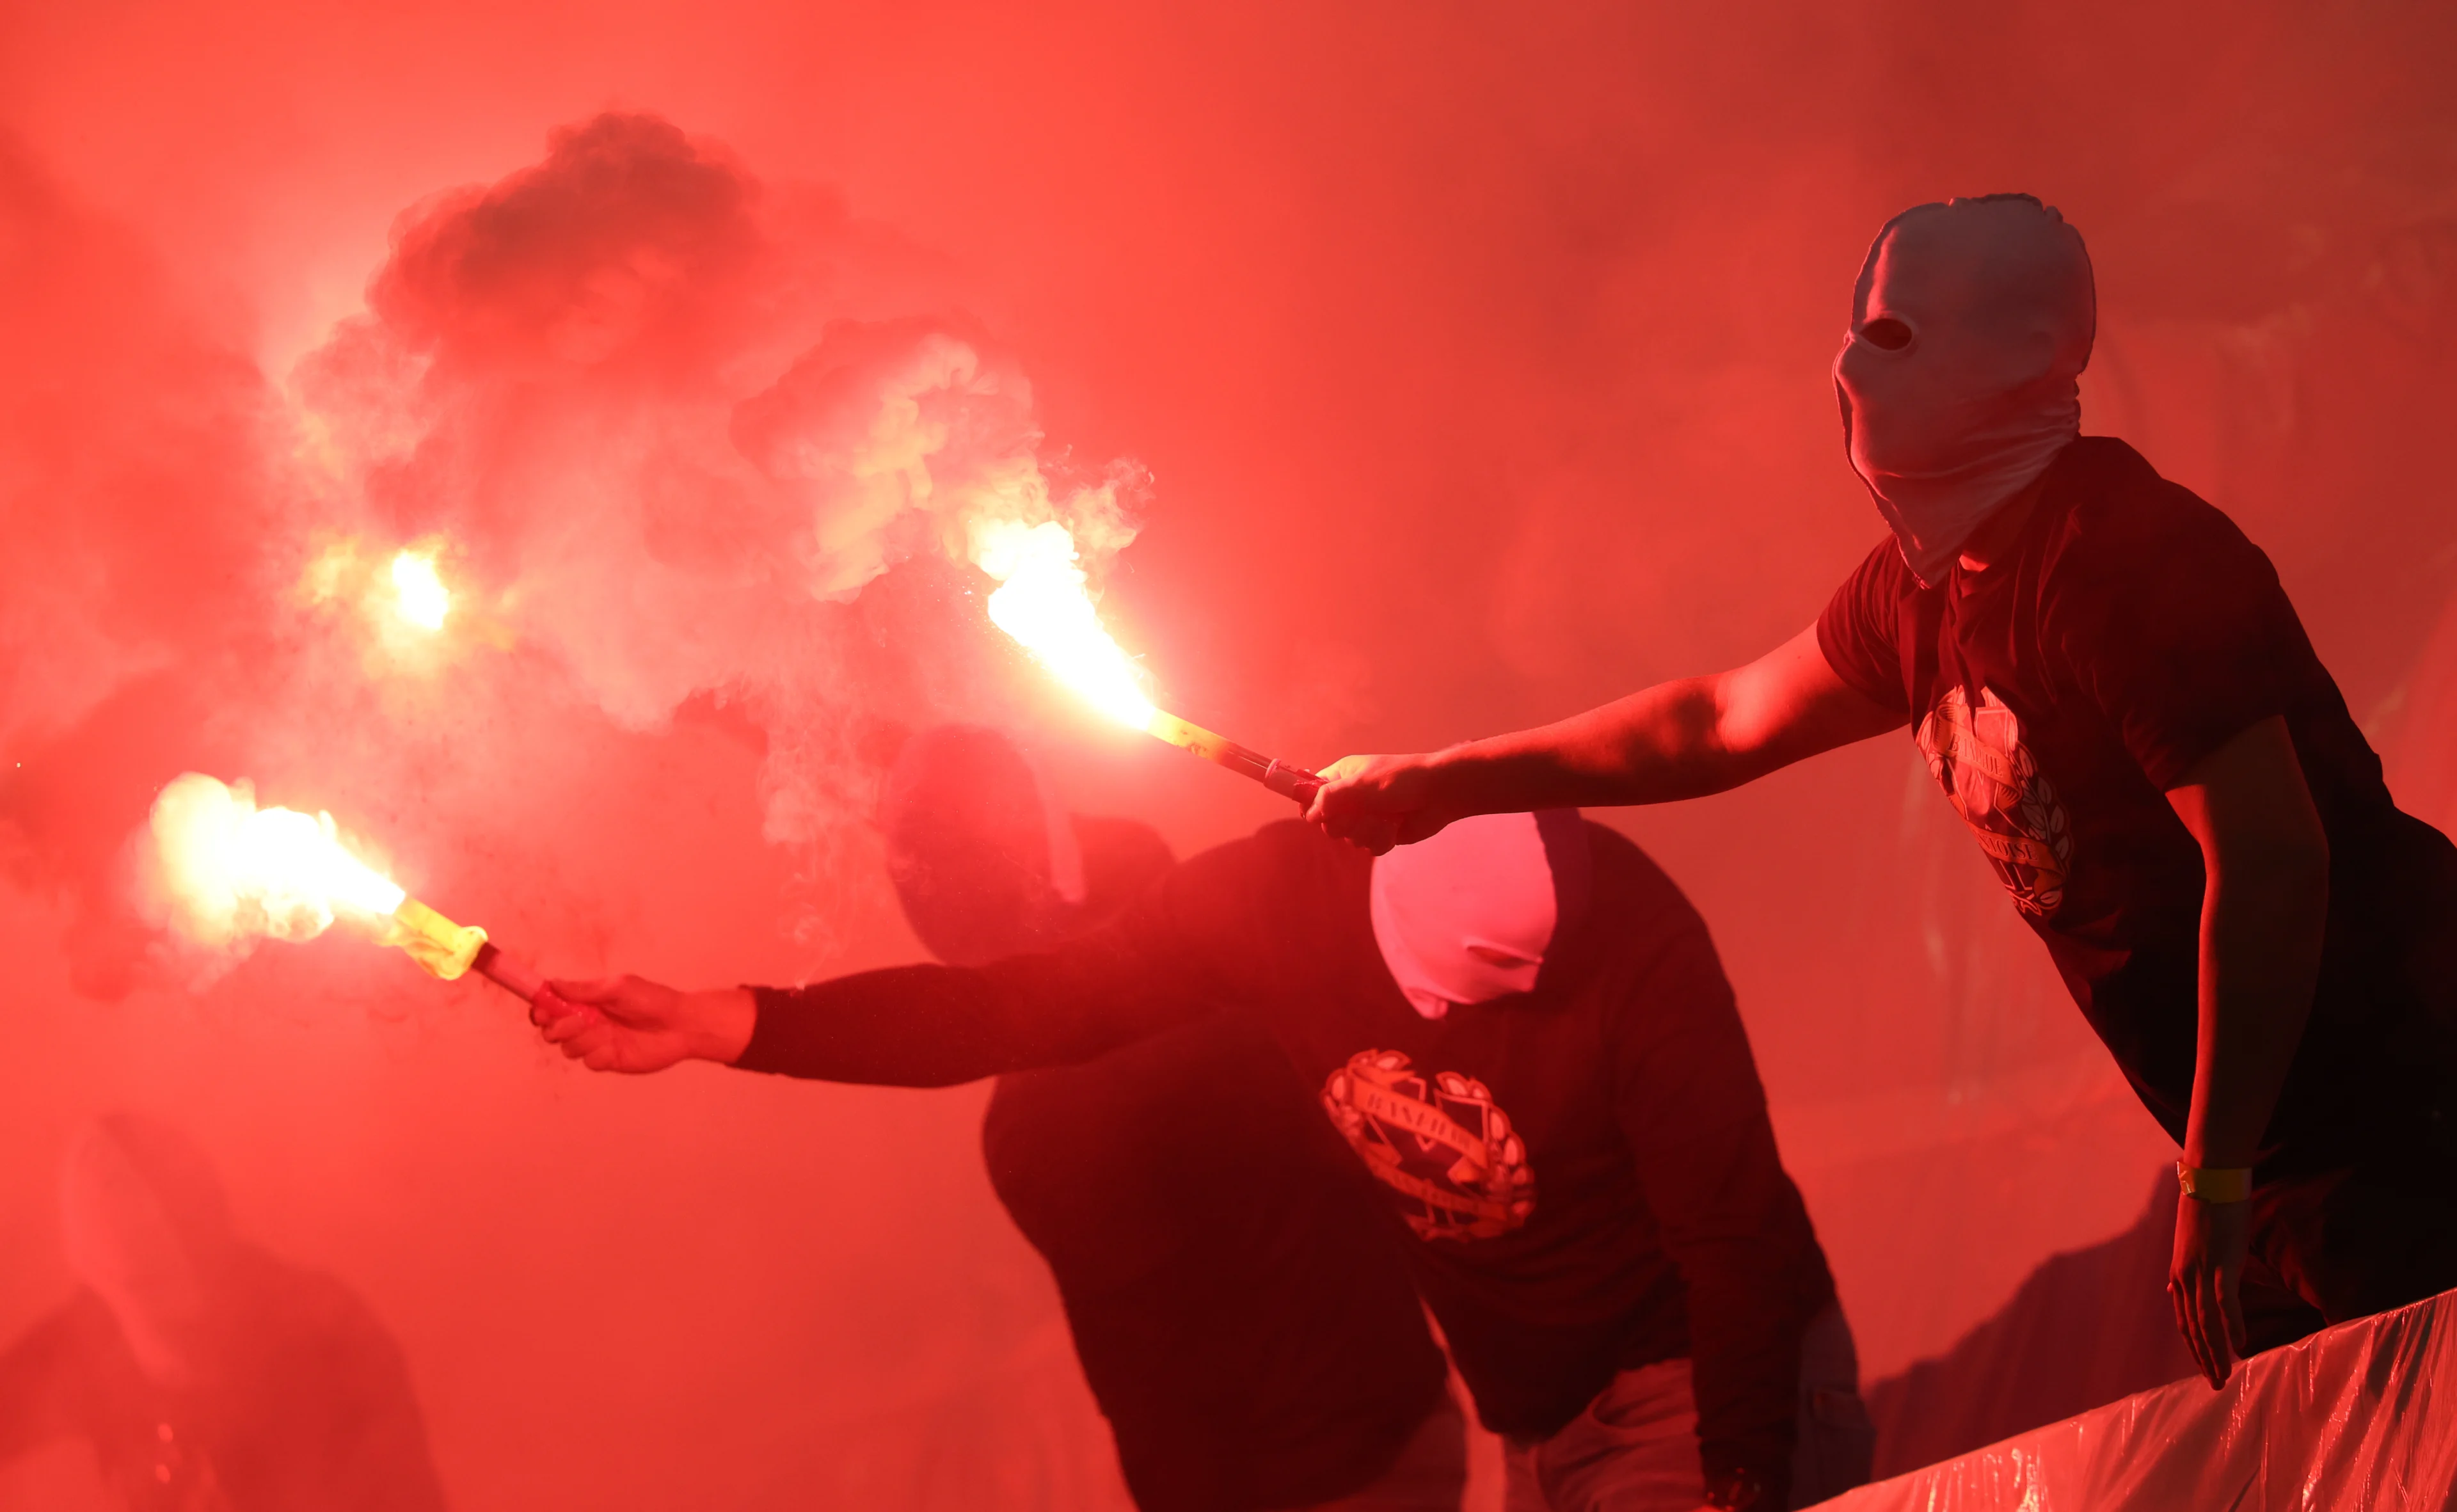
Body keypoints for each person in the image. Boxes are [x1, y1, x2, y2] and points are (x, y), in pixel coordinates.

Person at [1306, 194, 2457, 1396]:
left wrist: (2216, 1174)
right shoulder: (1916, 597)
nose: (1850, 365)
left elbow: (2274, 862)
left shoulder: (2120, 560)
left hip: (2409, 1105)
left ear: (2028, 356)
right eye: (1856, 328)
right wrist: (1443, 781)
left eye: (1896, 334)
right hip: (2279, 1161)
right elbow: (1717, 720)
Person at [536, 786, 1872, 1512]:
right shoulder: (1270, 903)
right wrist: (730, 1020)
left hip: (1702, 1383)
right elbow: (1012, 1007)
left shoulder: (1629, 938)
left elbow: (1737, 1239)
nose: (1469, 1021)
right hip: (1532, 1420)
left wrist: (1740, 1482)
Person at [886, 725, 1467, 1512]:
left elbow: (1151, 1390)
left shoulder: (1043, 1111)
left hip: (1308, 1481)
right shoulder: (1195, 935)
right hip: (1404, 1416)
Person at [0, 1113, 449, 1512]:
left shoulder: (329, 1334)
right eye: (147, 1301)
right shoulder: (86, 1344)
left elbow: (409, 1495)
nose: (182, 1334)